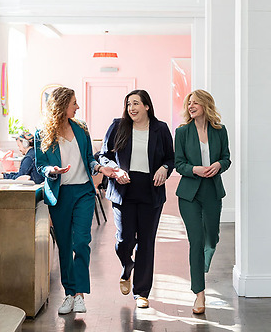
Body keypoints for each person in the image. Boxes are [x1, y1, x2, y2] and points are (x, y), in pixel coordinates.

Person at [35, 87, 117, 315]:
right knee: (64, 245)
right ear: (62, 105)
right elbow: (40, 165)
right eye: (74, 103)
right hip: (60, 194)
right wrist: (52, 170)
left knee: (81, 242)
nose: (78, 107)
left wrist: (101, 168)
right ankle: (69, 293)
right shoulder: (42, 133)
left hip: (83, 192)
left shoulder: (81, 128)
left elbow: (89, 159)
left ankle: (80, 294)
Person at [99, 89, 174, 308]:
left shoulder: (160, 129)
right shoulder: (118, 126)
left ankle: (141, 292)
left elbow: (171, 157)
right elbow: (103, 155)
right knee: (125, 240)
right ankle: (126, 266)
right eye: (129, 104)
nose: (131, 108)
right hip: (124, 191)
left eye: (136, 104)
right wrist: (115, 170)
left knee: (146, 242)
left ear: (147, 106)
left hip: (151, 192)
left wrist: (165, 167)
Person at [174, 89, 231, 314]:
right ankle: (199, 294)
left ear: (206, 105)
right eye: (189, 103)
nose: (191, 106)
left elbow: (226, 158)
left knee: (212, 238)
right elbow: (179, 164)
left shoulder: (220, 130)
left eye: (195, 103)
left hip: (212, 191)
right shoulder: (182, 132)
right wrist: (194, 169)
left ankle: (204, 258)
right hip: (189, 193)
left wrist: (218, 165)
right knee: (196, 241)